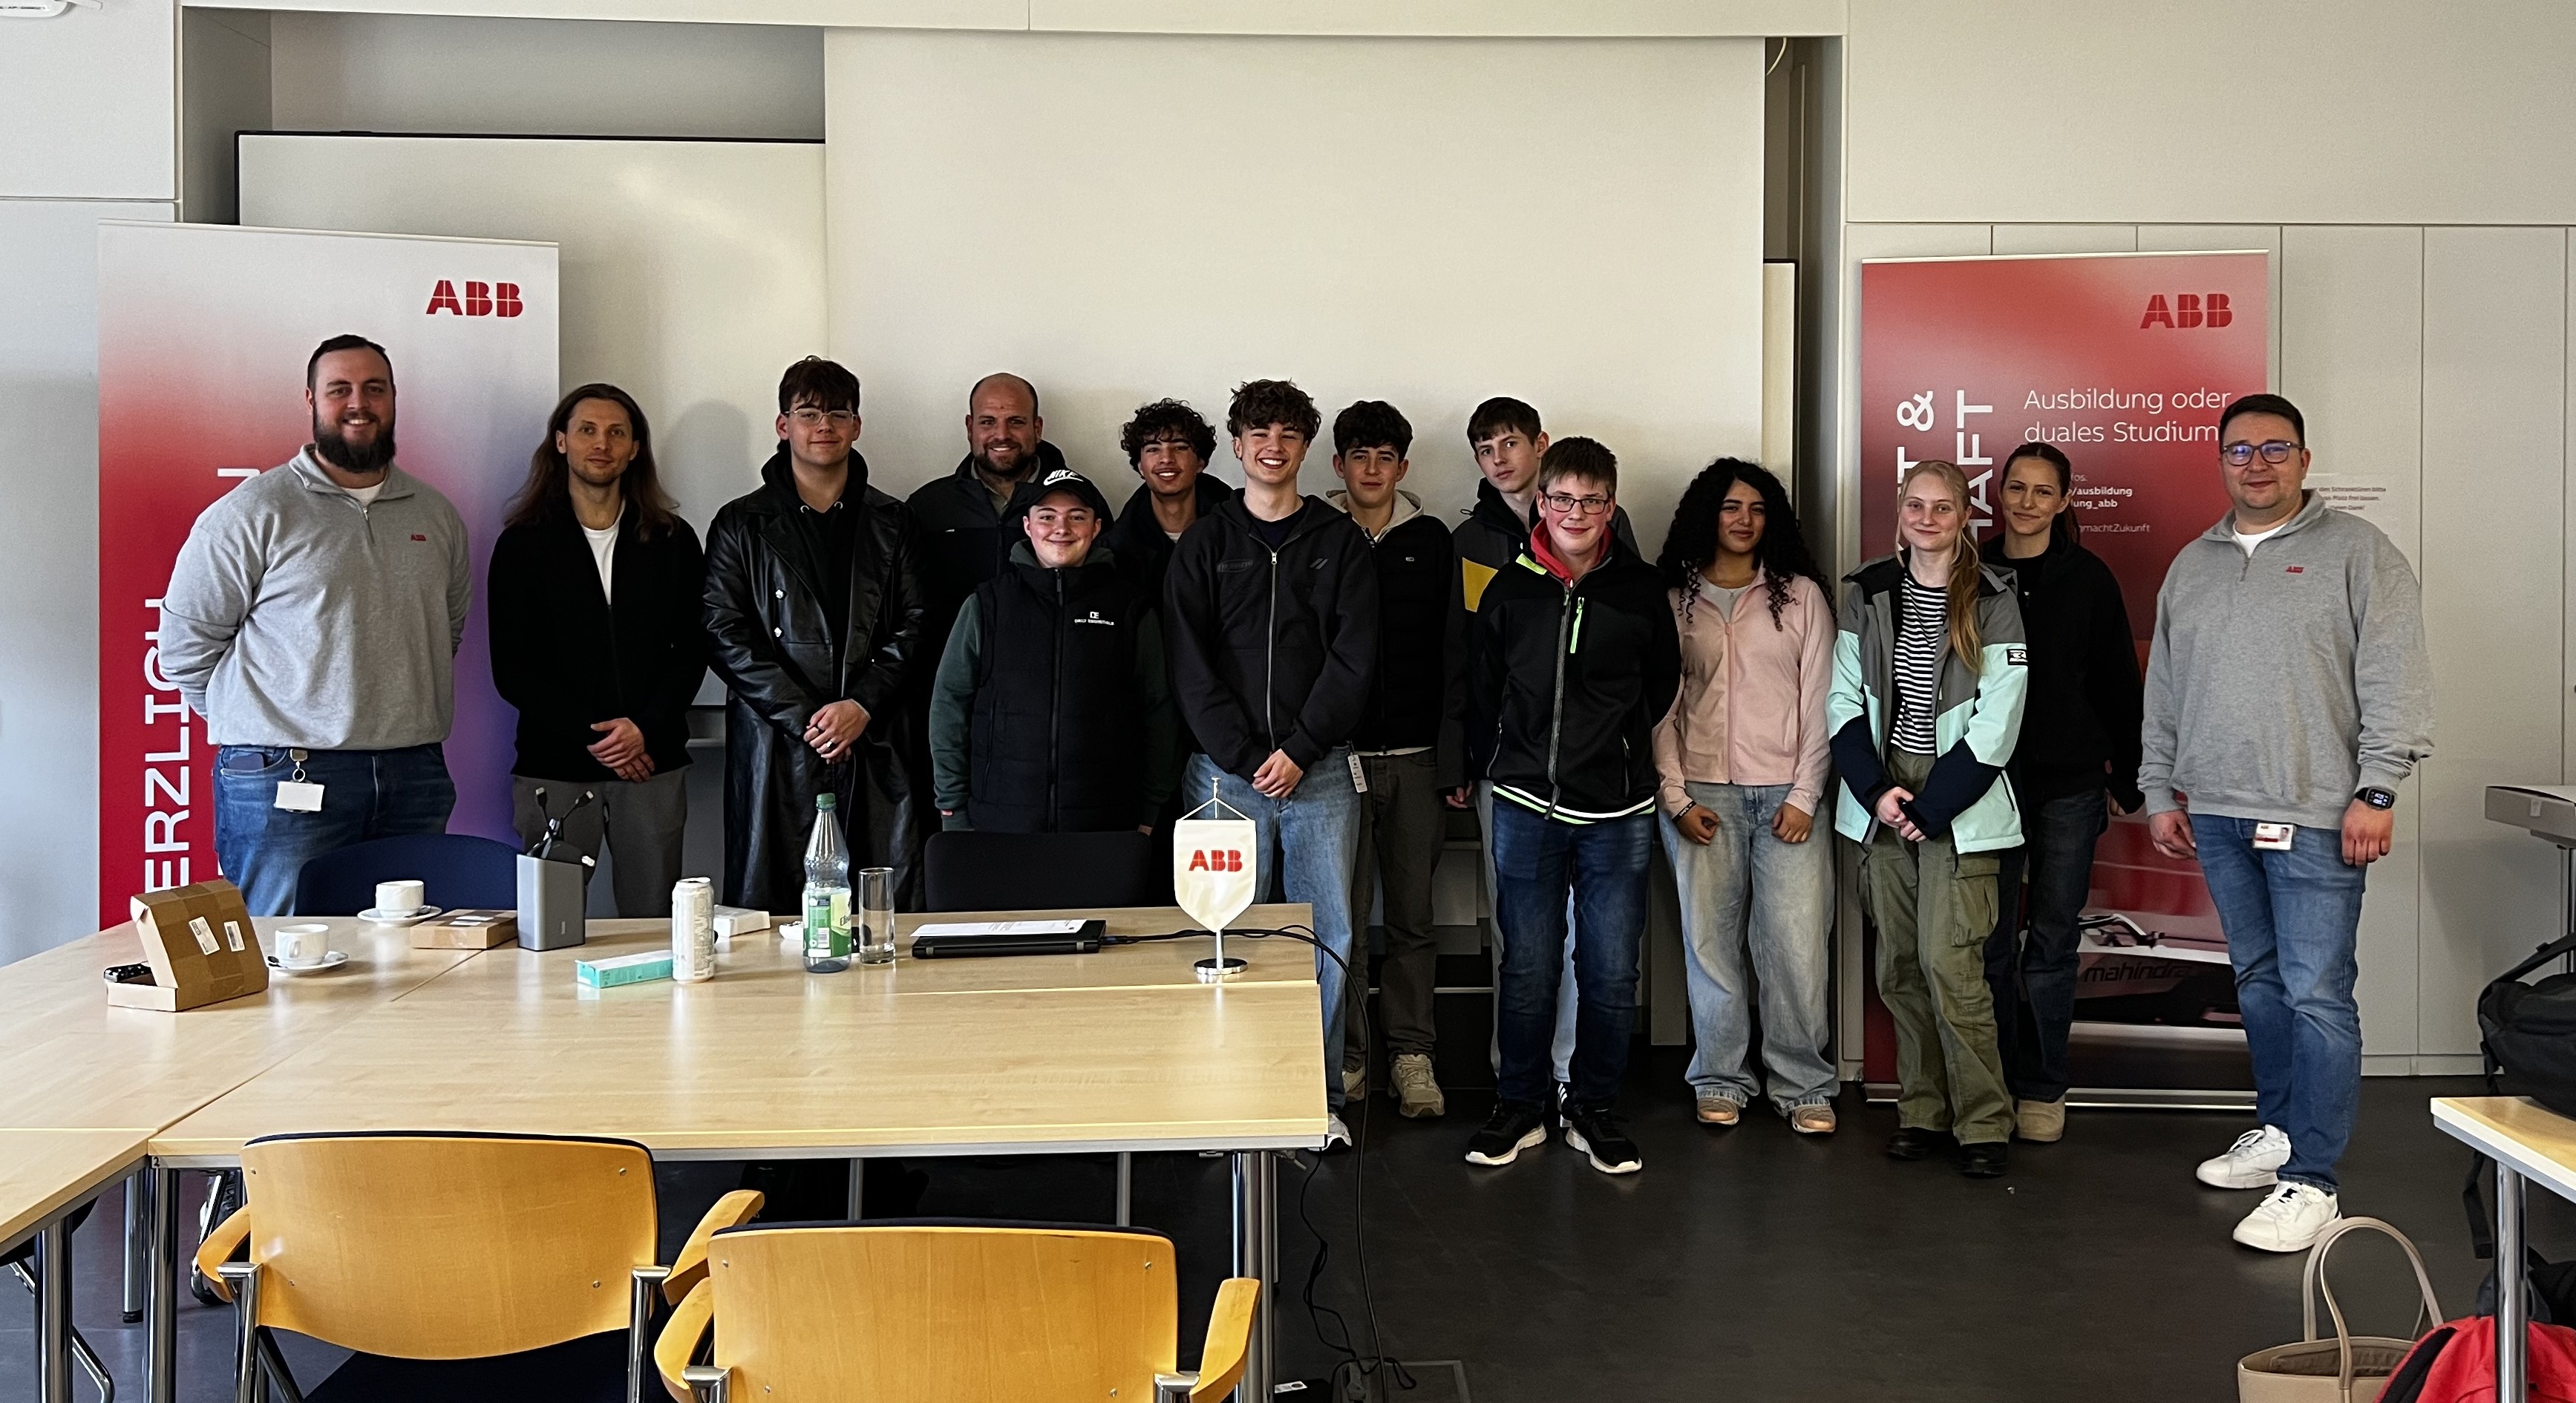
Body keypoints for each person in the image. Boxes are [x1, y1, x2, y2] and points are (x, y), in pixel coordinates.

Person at [2143, 393, 2432, 1252]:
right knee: (2259, 984)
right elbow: (2164, 687)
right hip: (2217, 813)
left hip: (2316, 817)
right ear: (2219, 462)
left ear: (2304, 459)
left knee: (2316, 995)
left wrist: (2376, 790)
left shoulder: (2358, 553)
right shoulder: (2192, 564)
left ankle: (2313, 1182)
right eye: (2239, 450)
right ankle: (2276, 1133)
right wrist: (2158, 790)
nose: (2256, 464)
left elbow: (2394, 677)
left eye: (2275, 448)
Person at [160, 334, 469, 915]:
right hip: (286, 775)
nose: (359, 404)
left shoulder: (437, 516)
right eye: (339, 389)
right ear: (311, 400)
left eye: (374, 389)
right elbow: (185, 648)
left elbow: (442, 632)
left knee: (409, 953)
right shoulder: (253, 512)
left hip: (415, 774)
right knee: (286, 949)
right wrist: (267, 721)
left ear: (394, 397)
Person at [1166, 379, 1377, 1142]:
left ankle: (1315, 1100)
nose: (1273, 447)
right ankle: (1228, 1097)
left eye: (1288, 434)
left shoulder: (1339, 542)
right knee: (1223, 938)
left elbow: (1353, 660)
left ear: (1305, 446)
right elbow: (1189, 667)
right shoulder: (1204, 543)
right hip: (1225, 778)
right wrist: (1249, 756)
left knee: (1328, 938)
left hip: (1320, 774)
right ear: (1236, 445)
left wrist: (1298, 749)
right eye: (1259, 433)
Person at [1463, 438, 1678, 1177]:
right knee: (1527, 966)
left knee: (1611, 971)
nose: (1575, 513)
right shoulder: (1510, 588)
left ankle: (1593, 1108)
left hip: (1617, 812)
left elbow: (1661, 684)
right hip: (1526, 803)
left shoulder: (1639, 590)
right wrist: (1499, 757)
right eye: (1562, 499)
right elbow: (1483, 685)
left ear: (1610, 506)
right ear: (1541, 503)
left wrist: (1617, 751)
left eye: (1591, 501)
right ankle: (1521, 1106)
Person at [1828, 460, 2028, 1180]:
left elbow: (2000, 718)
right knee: (1901, 969)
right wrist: (1876, 791)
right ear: (1900, 509)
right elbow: (1841, 699)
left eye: (1942, 507)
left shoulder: (1994, 596)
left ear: (1964, 515)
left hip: (1959, 803)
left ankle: (1983, 1122)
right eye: (1916, 505)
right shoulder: (1865, 590)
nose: (1927, 518)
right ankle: (1921, 1111)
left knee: (1953, 968)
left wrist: (1934, 806)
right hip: (1883, 800)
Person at [1451, 397, 1640, 1094]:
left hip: (1602, 785)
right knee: (1522, 941)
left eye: (1511, 443)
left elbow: (1647, 671)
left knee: (1596, 947)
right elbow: (1469, 663)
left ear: (1541, 445)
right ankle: (1518, 1077)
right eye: (1485, 448)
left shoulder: (1619, 547)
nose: (1499, 458)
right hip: (1513, 775)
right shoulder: (1470, 542)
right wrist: (1467, 757)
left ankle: (1572, 1076)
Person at [1650, 460, 1839, 1135]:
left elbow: (1822, 702)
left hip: (1788, 796)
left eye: (1757, 509)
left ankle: (1803, 1085)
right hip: (1702, 796)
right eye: (1731, 507)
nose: (1744, 519)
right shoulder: (1675, 599)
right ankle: (1720, 1078)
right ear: (1708, 514)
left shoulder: (1802, 597)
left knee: (1795, 948)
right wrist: (1675, 798)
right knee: (1710, 948)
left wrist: (1806, 794)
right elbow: (1661, 708)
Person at [703, 356, 926, 912]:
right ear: (784, 426)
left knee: (879, 910)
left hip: (875, 736)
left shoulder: (895, 521)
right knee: (773, 913)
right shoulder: (740, 522)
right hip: (776, 742)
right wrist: (809, 719)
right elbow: (723, 630)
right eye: (808, 413)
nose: (823, 426)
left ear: (856, 426)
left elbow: (918, 623)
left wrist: (862, 705)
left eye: (838, 414)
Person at [488, 384, 708, 917]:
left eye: (616, 433)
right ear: (561, 441)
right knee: (551, 927)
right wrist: (604, 739)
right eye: (587, 430)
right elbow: (513, 669)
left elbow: (694, 648)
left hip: (652, 763)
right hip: (555, 768)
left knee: (654, 927)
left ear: (635, 449)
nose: (602, 444)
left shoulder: (673, 540)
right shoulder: (522, 545)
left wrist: (643, 730)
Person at [1978, 442, 2142, 1144]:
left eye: (2043, 491)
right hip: (1984, 785)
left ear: (2065, 501)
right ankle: (1988, 1088)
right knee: (1986, 943)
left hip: (2070, 785)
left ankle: (2043, 1088)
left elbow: (2117, 681)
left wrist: (2127, 775)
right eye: (2017, 488)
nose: (2027, 502)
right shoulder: (1970, 571)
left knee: (2051, 942)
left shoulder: (2089, 578)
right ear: (1999, 493)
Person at [1325, 399, 1462, 1119]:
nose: (1372, 469)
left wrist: (1453, 756)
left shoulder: (1433, 541)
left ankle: (1412, 1057)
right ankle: (1347, 1060)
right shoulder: (1316, 534)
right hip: (1332, 765)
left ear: (1403, 467)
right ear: (1338, 464)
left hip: (1415, 760)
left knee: (1412, 920)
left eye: (1385, 457)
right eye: (1360, 456)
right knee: (1341, 922)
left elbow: (1454, 650)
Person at [928, 466, 1180, 833]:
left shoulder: (1130, 609)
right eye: (1047, 517)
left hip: (1107, 826)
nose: (1061, 528)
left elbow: (1159, 710)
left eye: (1077, 517)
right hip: (999, 822)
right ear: (1028, 526)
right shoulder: (988, 605)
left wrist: (1151, 809)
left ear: (1095, 528)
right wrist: (951, 805)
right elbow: (949, 705)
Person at [1107, 398, 1231, 604]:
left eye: (1180, 447)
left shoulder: (1238, 529)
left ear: (1200, 463)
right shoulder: (1118, 546)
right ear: (1140, 467)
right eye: (1153, 449)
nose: (1166, 459)